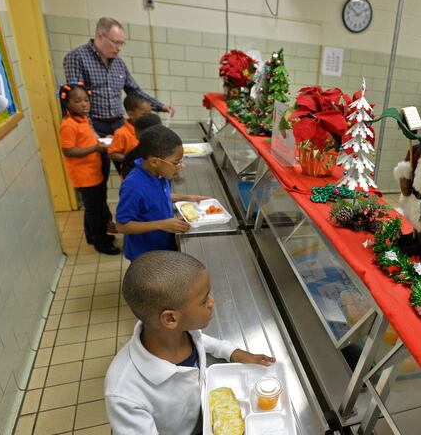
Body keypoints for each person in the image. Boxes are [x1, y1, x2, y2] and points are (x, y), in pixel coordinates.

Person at [105, 250, 276, 434]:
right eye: (204, 300)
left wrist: (233, 352)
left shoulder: (183, 333)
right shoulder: (124, 394)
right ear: (170, 319)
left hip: (203, 418)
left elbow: (202, 340)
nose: (212, 302)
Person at [64, 17, 175, 199]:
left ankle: (133, 211)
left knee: (132, 171)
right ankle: (101, 220)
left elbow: (134, 90)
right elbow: (76, 100)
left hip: (118, 125)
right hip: (94, 125)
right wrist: (93, 135)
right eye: (116, 42)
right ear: (100, 36)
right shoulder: (77, 58)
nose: (119, 48)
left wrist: (161, 106)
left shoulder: (118, 63)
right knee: (97, 181)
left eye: (122, 43)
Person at [115, 125, 207, 261]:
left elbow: (156, 198)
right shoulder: (133, 187)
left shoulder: (158, 173)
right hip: (146, 253)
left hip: (163, 244)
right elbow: (122, 226)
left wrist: (187, 198)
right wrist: (162, 224)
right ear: (154, 162)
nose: (180, 166)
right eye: (176, 162)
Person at [58, 82, 120, 255]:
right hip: (84, 176)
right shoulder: (69, 125)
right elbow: (69, 150)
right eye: (78, 101)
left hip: (94, 171)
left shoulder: (83, 119)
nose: (84, 104)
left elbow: (88, 139)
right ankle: (101, 242)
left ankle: (92, 235)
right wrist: (95, 148)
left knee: (95, 205)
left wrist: (101, 139)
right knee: (94, 210)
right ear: (67, 104)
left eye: (86, 100)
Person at [108, 94, 151, 176]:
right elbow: (111, 154)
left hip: (147, 173)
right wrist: (130, 159)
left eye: (150, 114)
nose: (148, 118)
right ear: (131, 114)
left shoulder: (150, 129)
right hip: (131, 173)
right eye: (144, 114)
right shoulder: (121, 133)